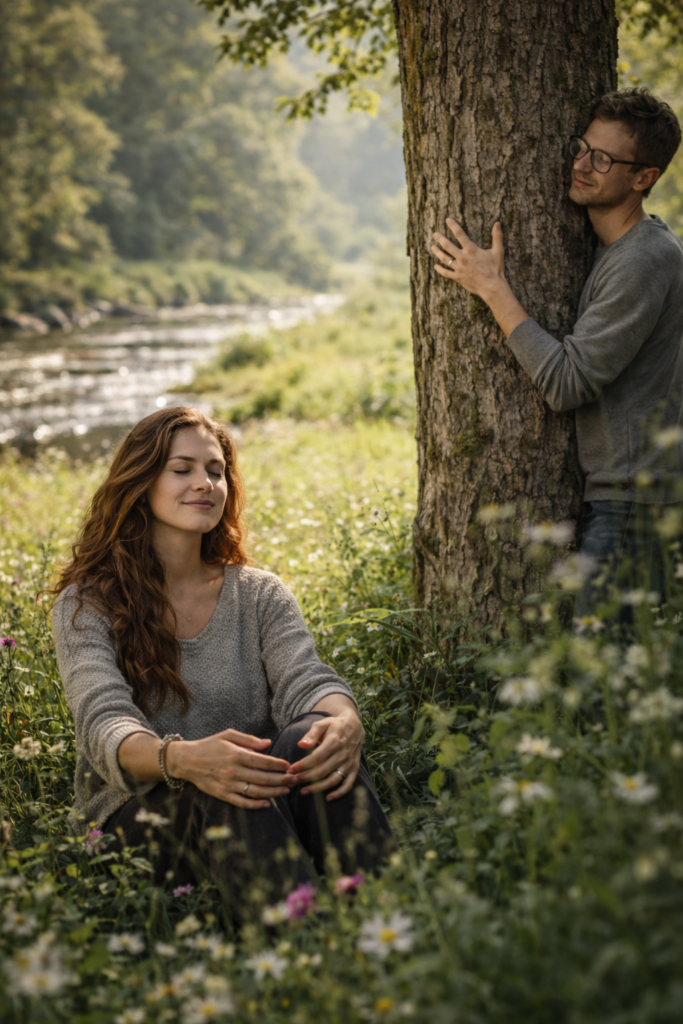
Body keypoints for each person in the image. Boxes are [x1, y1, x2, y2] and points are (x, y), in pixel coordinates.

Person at [50, 406, 393, 921]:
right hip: (141, 820)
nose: (205, 483)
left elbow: (307, 677)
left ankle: (389, 916)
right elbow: (104, 725)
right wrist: (185, 760)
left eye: (216, 470)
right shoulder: (87, 605)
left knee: (315, 737)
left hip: (257, 797)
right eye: (182, 469)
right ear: (141, 480)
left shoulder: (257, 594)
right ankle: (309, 953)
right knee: (225, 787)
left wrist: (344, 720)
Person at [430, 87, 683, 623]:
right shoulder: (613, 252)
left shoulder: (644, 260)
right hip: (621, 497)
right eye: (582, 147)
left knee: (607, 686)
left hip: (635, 505)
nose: (582, 165)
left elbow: (568, 383)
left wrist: (493, 288)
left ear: (644, 178)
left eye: (604, 158)